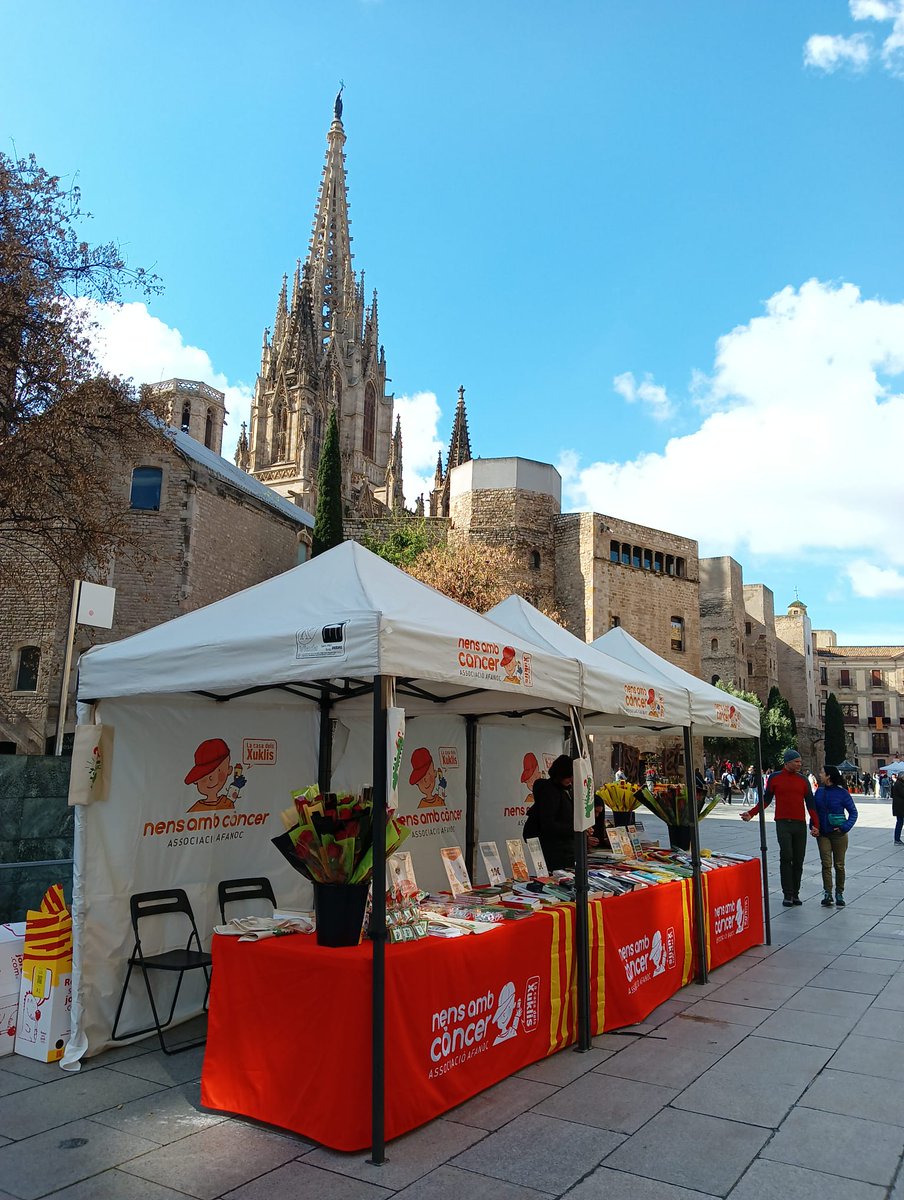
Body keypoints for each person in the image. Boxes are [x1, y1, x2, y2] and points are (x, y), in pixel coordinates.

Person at [742, 748, 816, 907]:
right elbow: (766, 800)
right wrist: (751, 813)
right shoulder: (775, 778)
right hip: (783, 823)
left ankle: (795, 893)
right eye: (796, 761)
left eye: (800, 761)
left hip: (800, 824)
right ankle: (787, 894)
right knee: (786, 856)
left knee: (799, 859)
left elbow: (811, 804)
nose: (799, 764)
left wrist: (815, 824)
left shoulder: (803, 780)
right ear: (787, 762)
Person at [810, 764, 858, 906]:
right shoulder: (819, 792)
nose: (819, 774)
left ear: (829, 776)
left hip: (839, 834)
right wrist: (813, 827)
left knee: (839, 865)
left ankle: (839, 893)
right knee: (826, 864)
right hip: (823, 834)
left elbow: (853, 813)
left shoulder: (842, 793)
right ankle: (827, 893)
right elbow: (814, 812)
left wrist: (844, 827)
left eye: (822, 772)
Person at [526, 754, 576, 870]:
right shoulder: (550, 792)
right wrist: (574, 829)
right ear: (560, 774)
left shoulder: (564, 790)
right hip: (554, 848)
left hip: (564, 846)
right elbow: (548, 824)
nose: (571, 780)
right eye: (569, 776)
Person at [892, 771, 904, 844]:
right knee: (899, 822)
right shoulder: (899, 784)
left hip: (899, 806)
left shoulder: (899, 783)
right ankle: (897, 839)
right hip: (900, 807)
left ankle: (897, 839)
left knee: (900, 822)